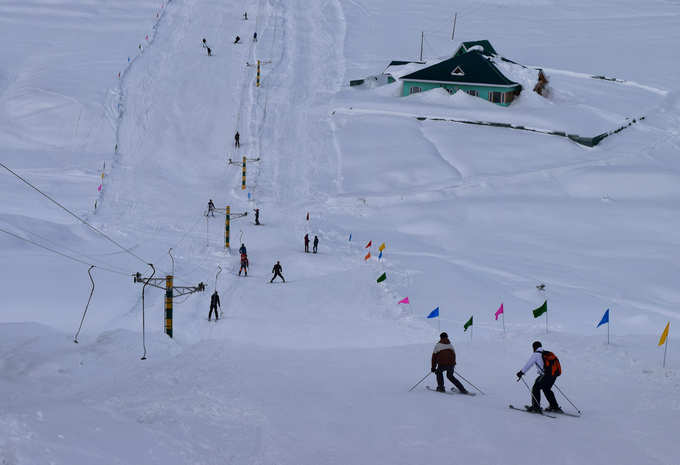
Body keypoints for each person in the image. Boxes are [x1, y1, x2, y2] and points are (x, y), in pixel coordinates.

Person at [516, 341, 562, 413]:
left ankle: (536, 407)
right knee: (546, 389)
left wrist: (521, 372)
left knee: (536, 388)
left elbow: (529, 364)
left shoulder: (536, 354)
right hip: (553, 375)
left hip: (545, 375)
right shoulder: (546, 353)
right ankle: (554, 406)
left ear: (534, 347)